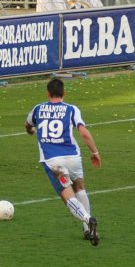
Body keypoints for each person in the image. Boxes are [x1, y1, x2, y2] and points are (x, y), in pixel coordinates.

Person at [25, 78, 101, 246]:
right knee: (80, 188)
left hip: (54, 162)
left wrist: (30, 130)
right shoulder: (72, 109)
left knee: (68, 196)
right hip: (73, 158)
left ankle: (88, 219)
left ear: (47, 93)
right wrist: (95, 152)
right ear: (64, 93)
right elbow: (84, 133)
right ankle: (87, 229)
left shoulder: (37, 109)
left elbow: (28, 124)